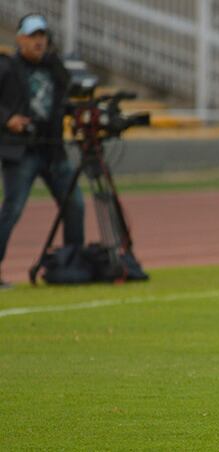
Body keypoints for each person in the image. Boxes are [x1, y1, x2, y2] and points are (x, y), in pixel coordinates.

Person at [0, 14, 84, 288]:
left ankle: (73, 264)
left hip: (53, 150)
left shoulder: (55, 67)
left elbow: (68, 96)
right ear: (20, 38)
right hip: (22, 151)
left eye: (42, 36)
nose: (39, 42)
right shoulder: (8, 67)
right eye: (33, 36)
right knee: (12, 209)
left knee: (74, 204)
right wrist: (7, 119)